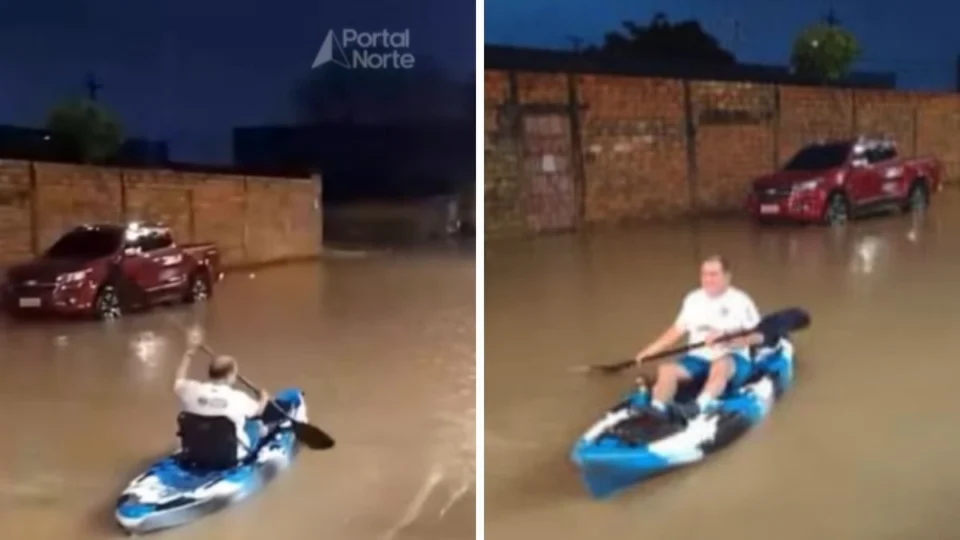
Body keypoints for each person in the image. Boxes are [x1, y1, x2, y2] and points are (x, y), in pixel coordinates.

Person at [634, 255, 764, 420]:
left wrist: (727, 338)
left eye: (714, 274)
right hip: (698, 358)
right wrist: (650, 351)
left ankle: (698, 406)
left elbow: (758, 337)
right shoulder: (692, 299)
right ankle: (657, 408)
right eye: (704, 274)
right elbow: (675, 331)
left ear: (727, 276)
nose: (708, 279)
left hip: (732, 359)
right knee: (666, 370)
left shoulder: (741, 301)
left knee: (721, 364)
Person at [173, 328, 270, 459]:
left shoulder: (191, 389)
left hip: (195, 451)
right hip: (228, 455)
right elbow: (258, 411)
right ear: (230, 376)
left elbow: (179, 380)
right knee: (254, 425)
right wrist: (263, 397)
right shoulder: (238, 398)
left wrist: (189, 352)